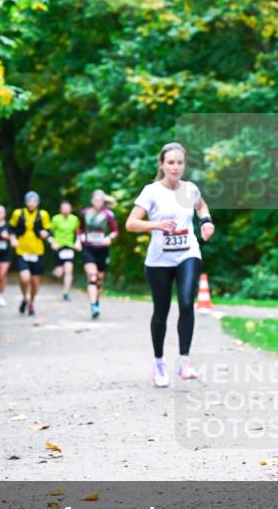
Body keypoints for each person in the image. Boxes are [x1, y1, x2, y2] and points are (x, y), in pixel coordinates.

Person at [125, 143, 215, 387]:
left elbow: (201, 206)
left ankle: (184, 361)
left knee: (186, 303)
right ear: (162, 165)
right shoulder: (151, 192)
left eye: (180, 163)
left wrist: (206, 221)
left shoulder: (190, 189)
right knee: (161, 311)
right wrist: (156, 225)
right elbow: (131, 223)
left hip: (187, 253)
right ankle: (159, 363)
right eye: (171, 162)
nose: (175, 167)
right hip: (159, 260)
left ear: (184, 165)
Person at [9, 191, 52, 316]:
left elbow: (48, 231)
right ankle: (24, 297)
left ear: (38, 203)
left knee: (35, 282)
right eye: (29, 201)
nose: (32, 203)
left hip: (37, 252)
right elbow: (11, 228)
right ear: (26, 202)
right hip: (22, 251)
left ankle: (31, 302)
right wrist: (13, 238)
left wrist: (46, 234)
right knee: (25, 278)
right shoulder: (18, 213)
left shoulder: (43, 215)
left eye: (34, 201)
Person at [78, 190, 119, 319]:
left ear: (103, 201)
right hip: (88, 248)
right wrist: (81, 236)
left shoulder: (108, 215)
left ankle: (96, 301)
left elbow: (115, 231)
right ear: (92, 200)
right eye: (96, 200)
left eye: (100, 200)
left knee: (99, 281)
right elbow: (79, 228)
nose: (98, 202)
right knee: (92, 276)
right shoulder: (85, 213)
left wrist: (110, 238)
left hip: (102, 249)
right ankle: (93, 305)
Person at [49, 200, 81, 301]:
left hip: (69, 247)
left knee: (69, 271)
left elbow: (79, 232)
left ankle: (66, 293)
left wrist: (78, 242)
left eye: (67, 208)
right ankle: (54, 274)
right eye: (64, 208)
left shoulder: (74, 219)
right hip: (58, 247)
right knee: (59, 272)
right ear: (60, 209)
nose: (66, 210)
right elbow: (49, 233)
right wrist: (52, 242)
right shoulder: (55, 219)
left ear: (71, 209)